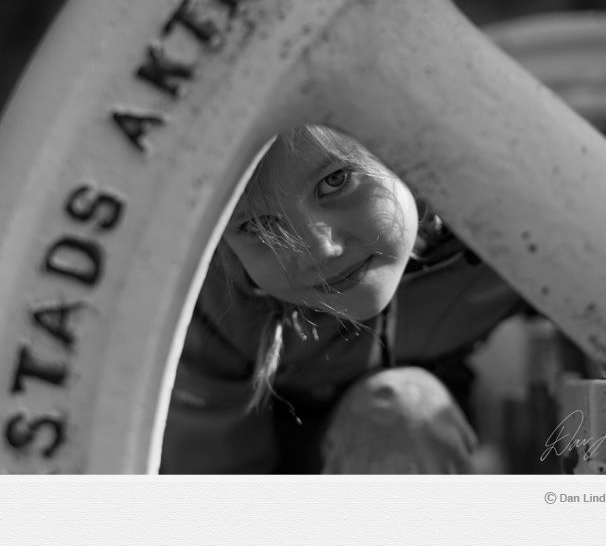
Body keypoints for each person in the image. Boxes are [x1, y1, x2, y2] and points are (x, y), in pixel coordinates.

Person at [160, 125, 526, 474]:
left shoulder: (504, 238)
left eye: (335, 181)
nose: (321, 250)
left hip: (439, 440)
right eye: (259, 226)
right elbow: (215, 478)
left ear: (399, 154)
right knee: (397, 412)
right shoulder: (215, 306)